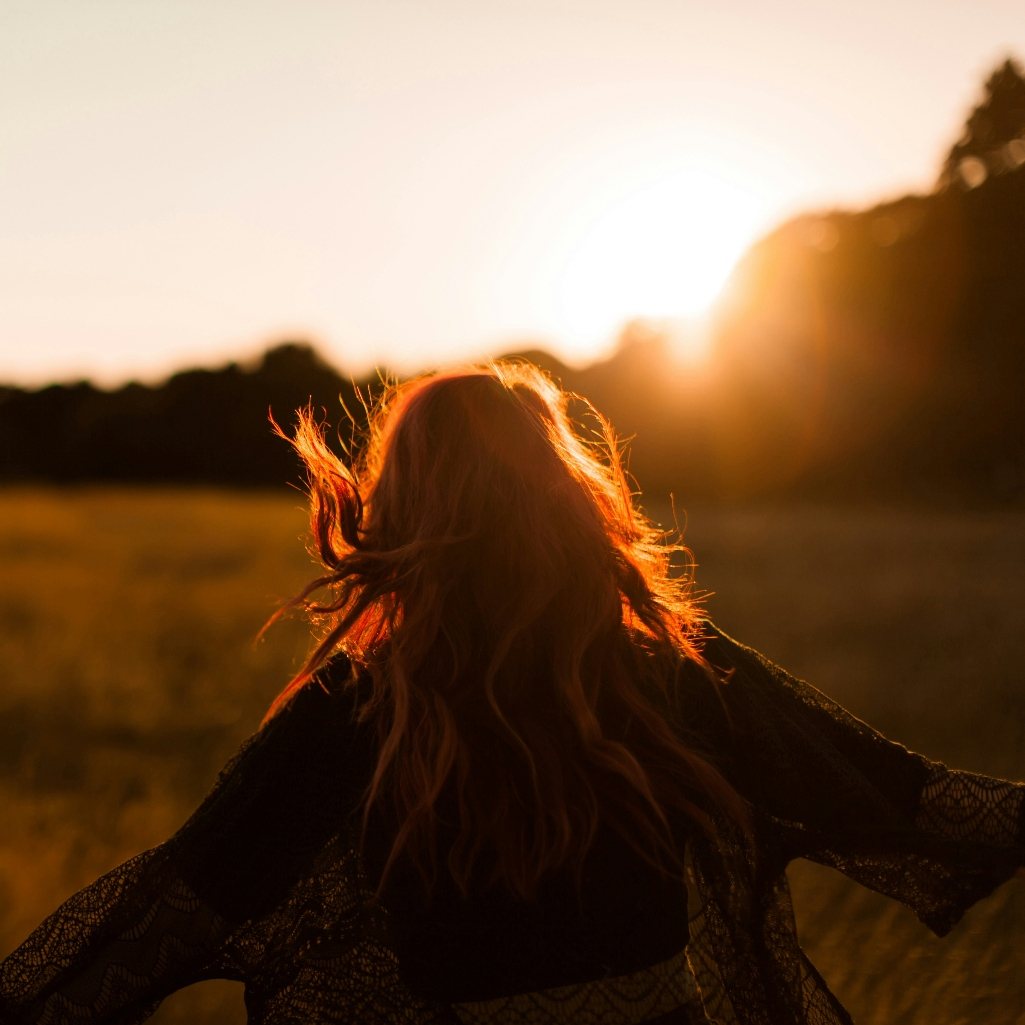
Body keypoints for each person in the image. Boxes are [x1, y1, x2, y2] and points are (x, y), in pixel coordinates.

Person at [1, 362, 1022, 1025]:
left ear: (402, 508)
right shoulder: (666, 665)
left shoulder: (356, 709)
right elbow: (908, 797)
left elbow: (160, 914)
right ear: (565, 498)